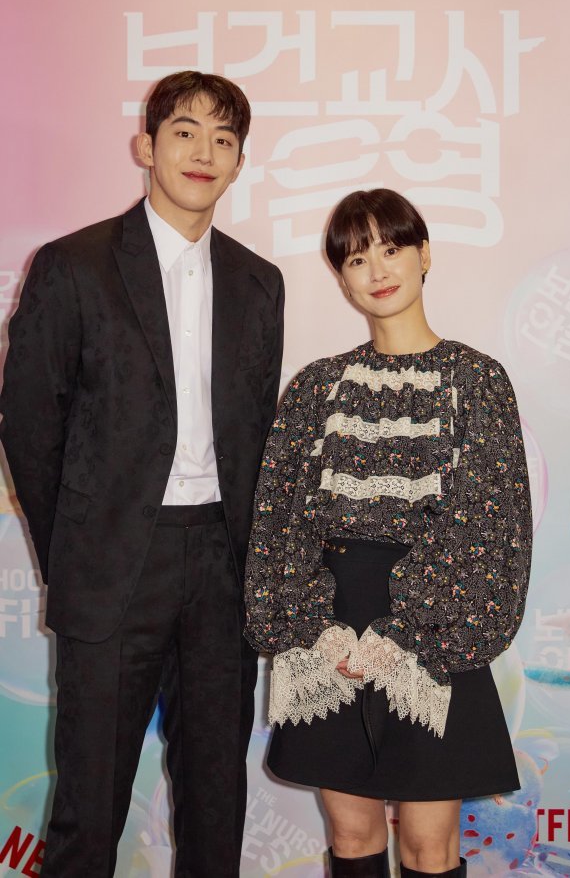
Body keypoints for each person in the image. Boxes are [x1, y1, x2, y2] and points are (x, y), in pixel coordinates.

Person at [0, 70, 284, 877]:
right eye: (185, 131)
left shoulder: (260, 283)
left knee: (215, 808)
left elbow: (256, 434)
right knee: (89, 809)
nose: (203, 152)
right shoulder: (74, 265)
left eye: (224, 140)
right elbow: (29, 424)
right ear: (146, 146)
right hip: (113, 564)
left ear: (239, 164)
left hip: (223, 569)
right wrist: (75, 551)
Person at [244, 189, 531, 878]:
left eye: (392, 248)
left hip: (437, 621)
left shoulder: (477, 380)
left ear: (424, 255)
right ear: (341, 279)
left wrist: (407, 632)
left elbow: (492, 524)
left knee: (430, 844)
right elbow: (279, 520)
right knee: (351, 836)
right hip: (328, 622)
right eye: (356, 257)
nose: (377, 269)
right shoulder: (315, 388)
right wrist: (313, 628)